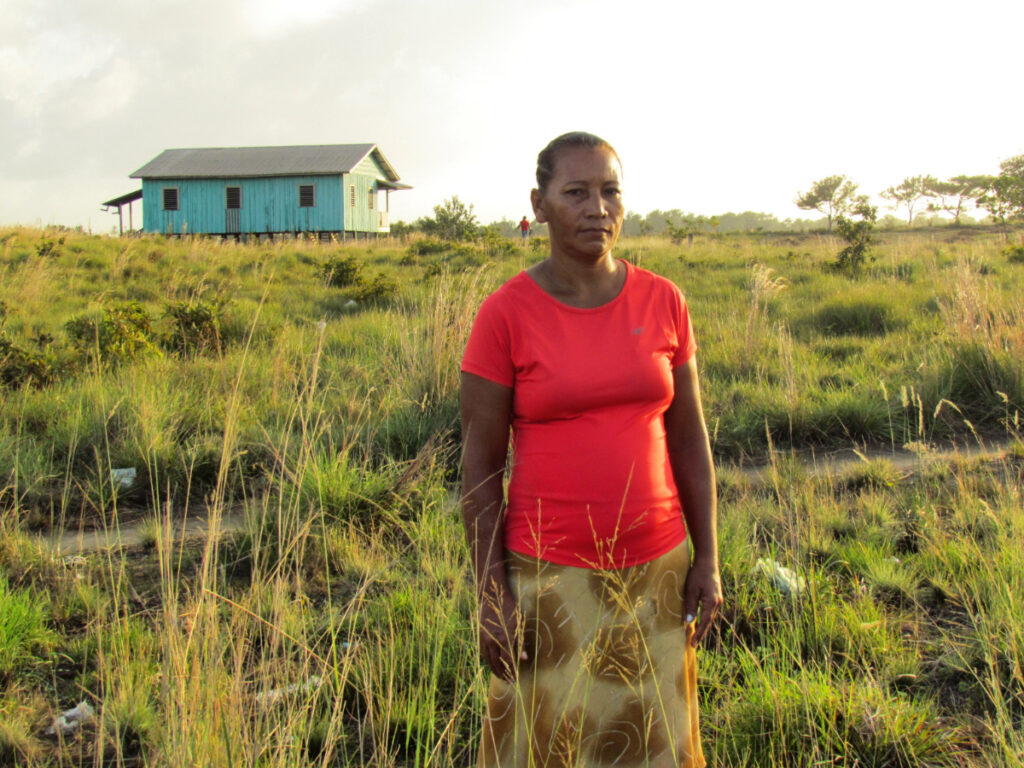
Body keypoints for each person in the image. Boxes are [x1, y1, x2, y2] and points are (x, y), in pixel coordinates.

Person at [460, 131, 721, 768]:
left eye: (610, 191)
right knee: (550, 741)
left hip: (659, 570)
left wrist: (708, 558)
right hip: (549, 578)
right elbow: (480, 467)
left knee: (655, 741)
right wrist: (492, 595)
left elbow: (689, 438)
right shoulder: (505, 315)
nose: (597, 208)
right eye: (575, 192)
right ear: (539, 205)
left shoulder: (664, 300)